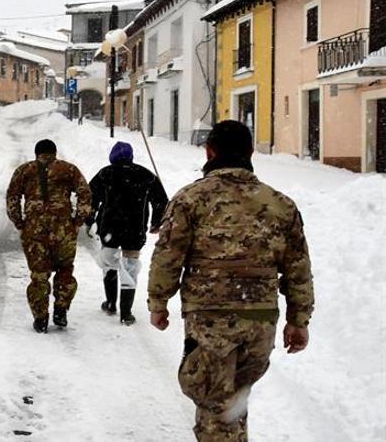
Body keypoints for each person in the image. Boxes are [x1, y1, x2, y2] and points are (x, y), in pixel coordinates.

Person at [147, 120, 314, 441]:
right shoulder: (280, 204)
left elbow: (168, 256)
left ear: (210, 152)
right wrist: (298, 319)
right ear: (250, 153)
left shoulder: (190, 200)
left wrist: (158, 303)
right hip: (259, 324)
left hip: (210, 320)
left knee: (215, 407)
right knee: (233, 403)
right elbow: (298, 269)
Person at [7, 139, 92, 333]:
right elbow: (85, 194)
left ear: (36, 153)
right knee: (65, 270)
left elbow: (12, 197)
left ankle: (40, 317)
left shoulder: (24, 171)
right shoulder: (68, 170)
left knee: (39, 275)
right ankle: (61, 309)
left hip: (34, 230)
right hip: (63, 229)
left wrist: (19, 222)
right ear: (55, 152)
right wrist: (78, 220)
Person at [87, 141, 168, 325]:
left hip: (110, 229)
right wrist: (156, 222)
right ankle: (126, 313)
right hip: (134, 229)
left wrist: (89, 220)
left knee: (109, 263)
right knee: (130, 267)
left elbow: (90, 198)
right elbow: (161, 201)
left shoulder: (105, 174)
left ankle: (110, 303)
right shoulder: (146, 175)